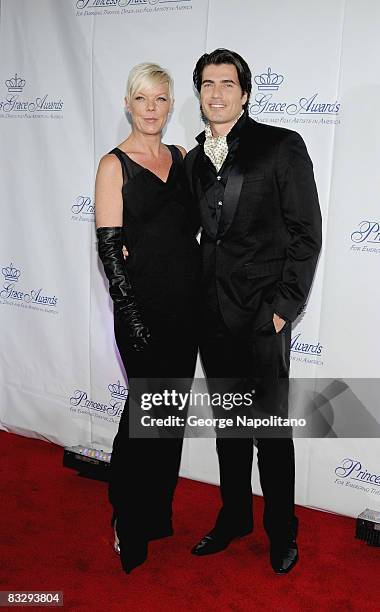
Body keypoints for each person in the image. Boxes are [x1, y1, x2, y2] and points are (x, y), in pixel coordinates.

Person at [185, 49, 322, 574]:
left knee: (271, 431)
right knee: (230, 430)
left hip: (264, 317)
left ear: (245, 92)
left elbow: (306, 233)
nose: (216, 93)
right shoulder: (195, 160)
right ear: (199, 96)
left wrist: (285, 308)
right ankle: (235, 515)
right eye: (206, 85)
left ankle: (281, 528)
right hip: (212, 317)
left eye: (227, 83)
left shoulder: (281, 146)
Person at [95, 63, 200, 574]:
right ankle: (126, 517)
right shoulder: (114, 166)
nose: (152, 108)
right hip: (141, 310)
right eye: (143, 99)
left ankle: (156, 512)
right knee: (143, 416)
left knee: (169, 416)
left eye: (161, 99)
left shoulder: (182, 158)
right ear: (128, 105)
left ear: (171, 104)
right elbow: (111, 255)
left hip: (186, 307)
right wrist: (132, 318)